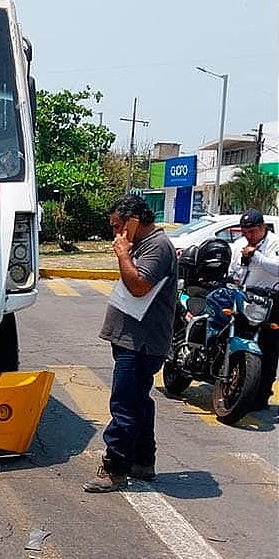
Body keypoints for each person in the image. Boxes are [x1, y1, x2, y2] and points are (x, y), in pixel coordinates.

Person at [83, 194, 178, 493]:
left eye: (117, 226)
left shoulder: (158, 247)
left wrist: (123, 254)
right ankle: (143, 461)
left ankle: (115, 468)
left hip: (142, 343)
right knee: (138, 401)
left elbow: (138, 286)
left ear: (134, 221)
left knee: (124, 404)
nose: (115, 233)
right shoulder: (145, 244)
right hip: (133, 340)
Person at [226, 208, 279, 410]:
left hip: (270, 300)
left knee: (268, 347)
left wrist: (255, 256)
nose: (248, 236)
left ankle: (262, 395)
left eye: (252, 232)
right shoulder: (239, 245)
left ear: (263, 228)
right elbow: (233, 270)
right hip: (244, 297)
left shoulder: (274, 243)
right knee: (235, 337)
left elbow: (276, 268)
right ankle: (235, 385)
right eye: (244, 232)